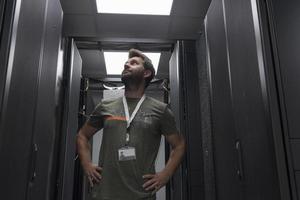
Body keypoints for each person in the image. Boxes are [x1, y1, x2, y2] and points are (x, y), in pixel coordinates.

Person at [76, 49, 185, 200]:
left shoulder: (161, 110)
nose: (127, 64)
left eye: (133, 63)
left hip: (142, 194)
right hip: (104, 193)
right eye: (126, 63)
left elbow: (179, 145)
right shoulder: (105, 106)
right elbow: (82, 135)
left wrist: (165, 175)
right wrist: (86, 164)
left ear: (146, 73)